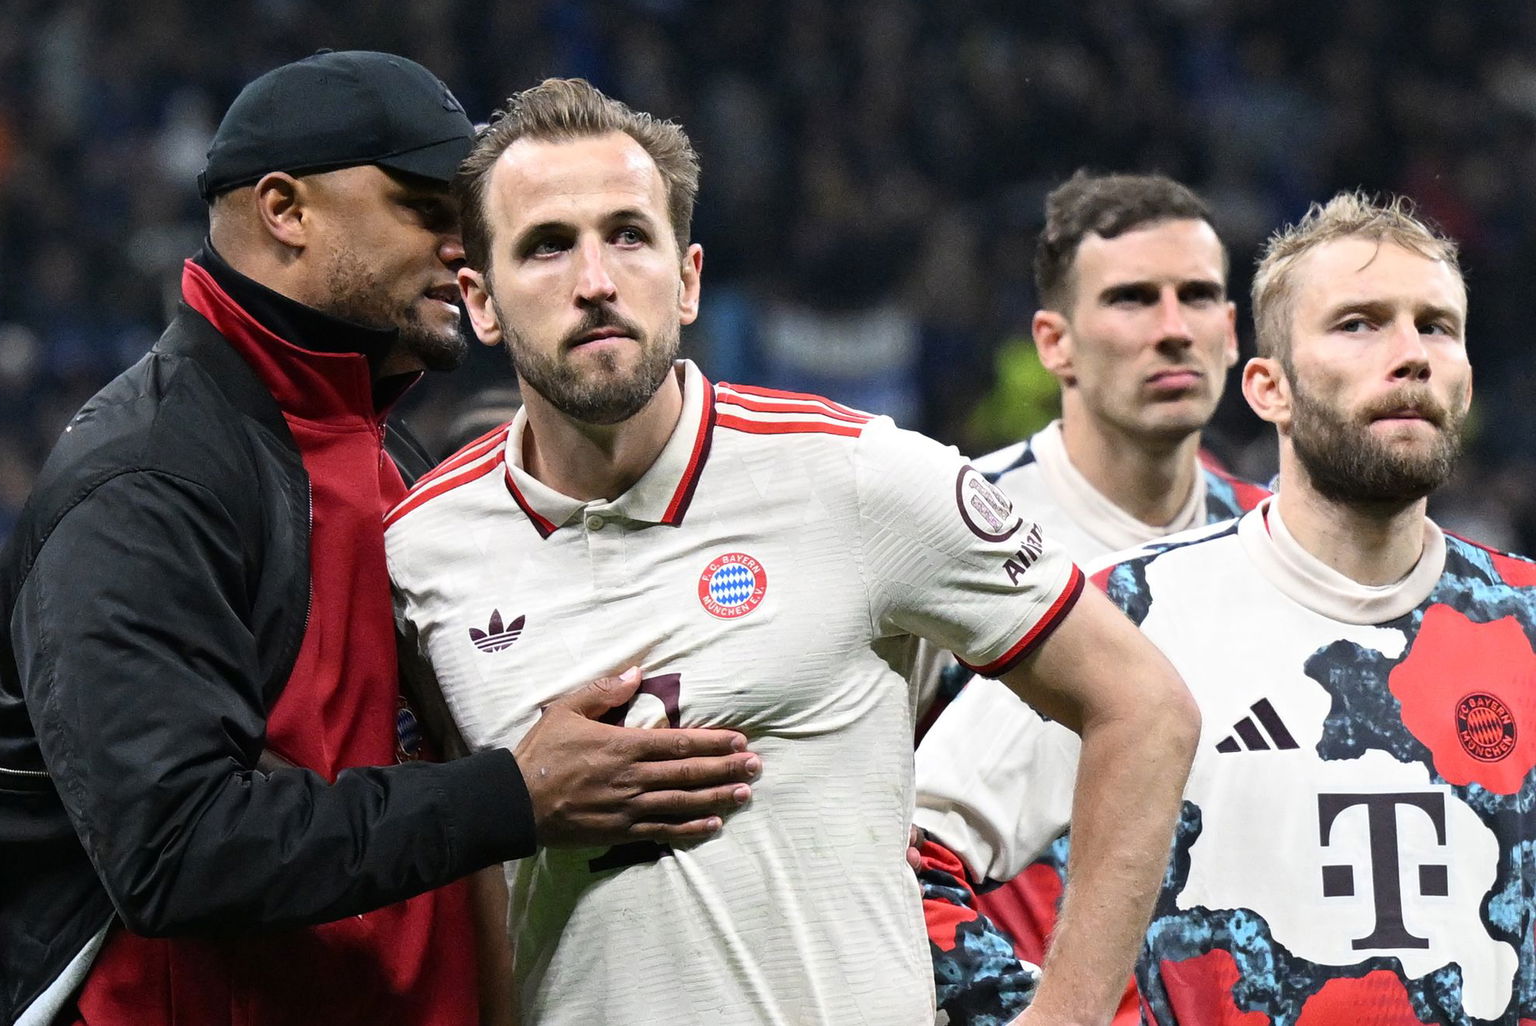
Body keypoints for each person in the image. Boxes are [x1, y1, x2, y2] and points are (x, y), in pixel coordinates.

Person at [0, 51, 759, 1026]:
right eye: (424, 209)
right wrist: (512, 794)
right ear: (285, 211)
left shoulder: (382, 449)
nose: (464, 247)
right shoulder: (148, 479)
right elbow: (175, 851)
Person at [385, 77, 1199, 1026]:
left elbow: (1145, 708)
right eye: (547, 245)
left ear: (688, 280)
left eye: (630, 235)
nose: (596, 279)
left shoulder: (857, 474)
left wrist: (1068, 1015)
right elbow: (472, 879)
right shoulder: (420, 548)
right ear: (480, 303)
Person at [941, 191, 1536, 1023]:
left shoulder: (1524, 623)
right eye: (1358, 324)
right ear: (1268, 388)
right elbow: (905, 854)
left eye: (1436, 326)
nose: (1410, 355)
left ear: (1467, 382)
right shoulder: (1130, 615)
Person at [911, 172, 1267, 1023]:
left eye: (1197, 297)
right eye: (1132, 299)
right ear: (1054, 343)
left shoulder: (1274, 548)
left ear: (1231, 332)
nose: (1173, 329)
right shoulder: (944, 533)